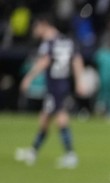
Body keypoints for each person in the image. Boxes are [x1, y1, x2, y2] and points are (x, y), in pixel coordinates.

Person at [15, 15, 85, 169]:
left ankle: (70, 155)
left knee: (60, 118)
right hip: (63, 83)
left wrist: (29, 77)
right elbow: (77, 60)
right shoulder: (67, 41)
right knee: (45, 118)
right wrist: (80, 80)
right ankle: (33, 151)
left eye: (36, 27)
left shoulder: (48, 42)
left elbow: (44, 61)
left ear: (44, 25)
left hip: (55, 85)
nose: (35, 31)